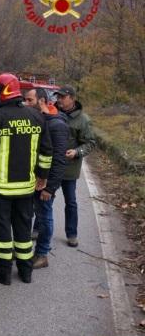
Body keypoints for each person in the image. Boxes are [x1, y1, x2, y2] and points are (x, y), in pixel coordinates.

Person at [0, 73, 53, 285]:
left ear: (3, 92)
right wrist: (43, 177)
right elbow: (46, 152)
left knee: (1, 230)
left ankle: (4, 272)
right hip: (26, 189)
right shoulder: (37, 117)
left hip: (0, 189)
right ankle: (26, 272)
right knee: (23, 230)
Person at [30, 89, 69, 269]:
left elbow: (60, 160)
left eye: (29, 100)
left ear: (41, 102)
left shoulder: (57, 125)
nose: (25, 103)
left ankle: (42, 254)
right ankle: (26, 251)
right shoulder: (38, 120)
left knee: (45, 217)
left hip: (45, 184)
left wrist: (50, 187)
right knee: (31, 216)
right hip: (32, 181)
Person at [53, 86, 96, 247]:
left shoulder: (83, 119)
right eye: (58, 97)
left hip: (69, 168)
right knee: (45, 200)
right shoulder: (52, 113)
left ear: (72, 98)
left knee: (70, 202)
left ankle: (72, 234)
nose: (59, 100)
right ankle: (38, 229)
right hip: (52, 166)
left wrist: (77, 152)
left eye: (62, 97)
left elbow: (90, 143)